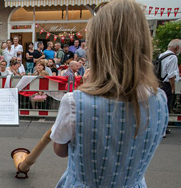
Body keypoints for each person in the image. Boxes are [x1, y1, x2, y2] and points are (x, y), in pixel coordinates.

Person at [50, 1, 167, 187]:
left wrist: (85, 91)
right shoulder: (160, 98)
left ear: (98, 47)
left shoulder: (75, 102)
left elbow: (60, 150)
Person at [159, 39, 180, 137]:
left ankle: (161, 128)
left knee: (161, 107)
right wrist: (173, 88)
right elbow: (171, 75)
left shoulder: (161, 55)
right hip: (167, 85)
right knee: (167, 108)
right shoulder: (173, 57)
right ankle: (163, 130)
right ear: (177, 47)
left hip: (159, 84)